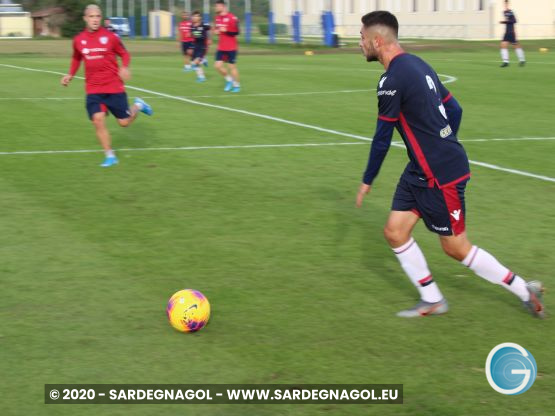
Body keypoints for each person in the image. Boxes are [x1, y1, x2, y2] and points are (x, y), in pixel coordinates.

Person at [355, 11, 544, 318]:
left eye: (362, 37)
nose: (359, 44)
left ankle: (524, 289)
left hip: (440, 175)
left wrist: (367, 180)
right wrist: (441, 141)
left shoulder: (390, 80)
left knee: (455, 247)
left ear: (377, 40)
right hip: (420, 169)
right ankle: (432, 299)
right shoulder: (418, 63)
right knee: (394, 232)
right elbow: (454, 108)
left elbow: (381, 137)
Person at [60, 4, 152, 167]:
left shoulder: (110, 37)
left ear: (100, 18)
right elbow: (76, 58)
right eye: (91, 17)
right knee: (98, 119)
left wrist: (124, 67)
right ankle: (110, 155)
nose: (95, 20)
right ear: (85, 18)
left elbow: (124, 53)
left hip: (113, 87)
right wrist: (70, 74)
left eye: (97, 16)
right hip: (93, 89)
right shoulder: (79, 40)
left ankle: (138, 105)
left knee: (123, 123)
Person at [214, 0, 240, 92]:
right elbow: (217, 29)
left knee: (231, 67)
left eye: (217, 6)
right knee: (217, 66)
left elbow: (237, 32)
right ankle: (229, 80)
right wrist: (216, 31)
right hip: (221, 47)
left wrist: (226, 31)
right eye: (215, 6)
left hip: (231, 47)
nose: (216, 8)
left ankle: (236, 85)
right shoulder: (217, 18)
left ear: (223, 6)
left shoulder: (232, 17)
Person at [500, 0, 525, 67]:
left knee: (516, 45)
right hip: (507, 32)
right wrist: (504, 22)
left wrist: (505, 22)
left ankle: (522, 60)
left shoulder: (510, 12)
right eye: (504, 4)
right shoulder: (504, 12)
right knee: (503, 45)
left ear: (508, 4)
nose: (505, 5)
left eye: (506, 4)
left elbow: (514, 21)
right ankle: (506, 62)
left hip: (511, 31)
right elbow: (508, 21)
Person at [190, 11, 211, 83]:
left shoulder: (204, 24)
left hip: (203, 46)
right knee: (195, 63)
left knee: (194, 64)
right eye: (193, 16)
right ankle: (201, 77)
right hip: (196, 46)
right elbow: (194, 35)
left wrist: (209, 39)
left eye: (196, 16)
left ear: (200, 17)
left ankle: (204, 59)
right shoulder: (192, 26)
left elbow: (209, 30)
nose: (194, 18)